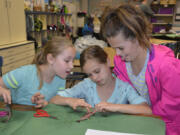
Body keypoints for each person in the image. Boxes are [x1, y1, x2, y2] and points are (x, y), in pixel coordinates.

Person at [100, 4, 180, 135]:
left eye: (120, 48)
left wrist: (140, 112)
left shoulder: (167, 66)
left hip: (167, 127)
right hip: (140, 123)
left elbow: (171, 108)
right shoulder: (120, 63)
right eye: (114, 48)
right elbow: (125, 94)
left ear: (137, 37)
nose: (117, 54)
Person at [49, 45, 152, 115]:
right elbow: (53, 100)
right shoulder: (87, 85)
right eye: (89, 74)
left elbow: (147, 110)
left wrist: (115, 107)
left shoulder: (124, 88)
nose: (94, 78)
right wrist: (69, 100)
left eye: (97, 71)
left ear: (107, 61)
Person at [0, 36, 76, 108]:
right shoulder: (24, 73)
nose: (71, 66)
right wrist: (2, 90)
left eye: (73, 61)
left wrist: (45, 103)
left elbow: (54, 99)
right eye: (67, 61)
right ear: (51, 59)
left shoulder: (61, 78)